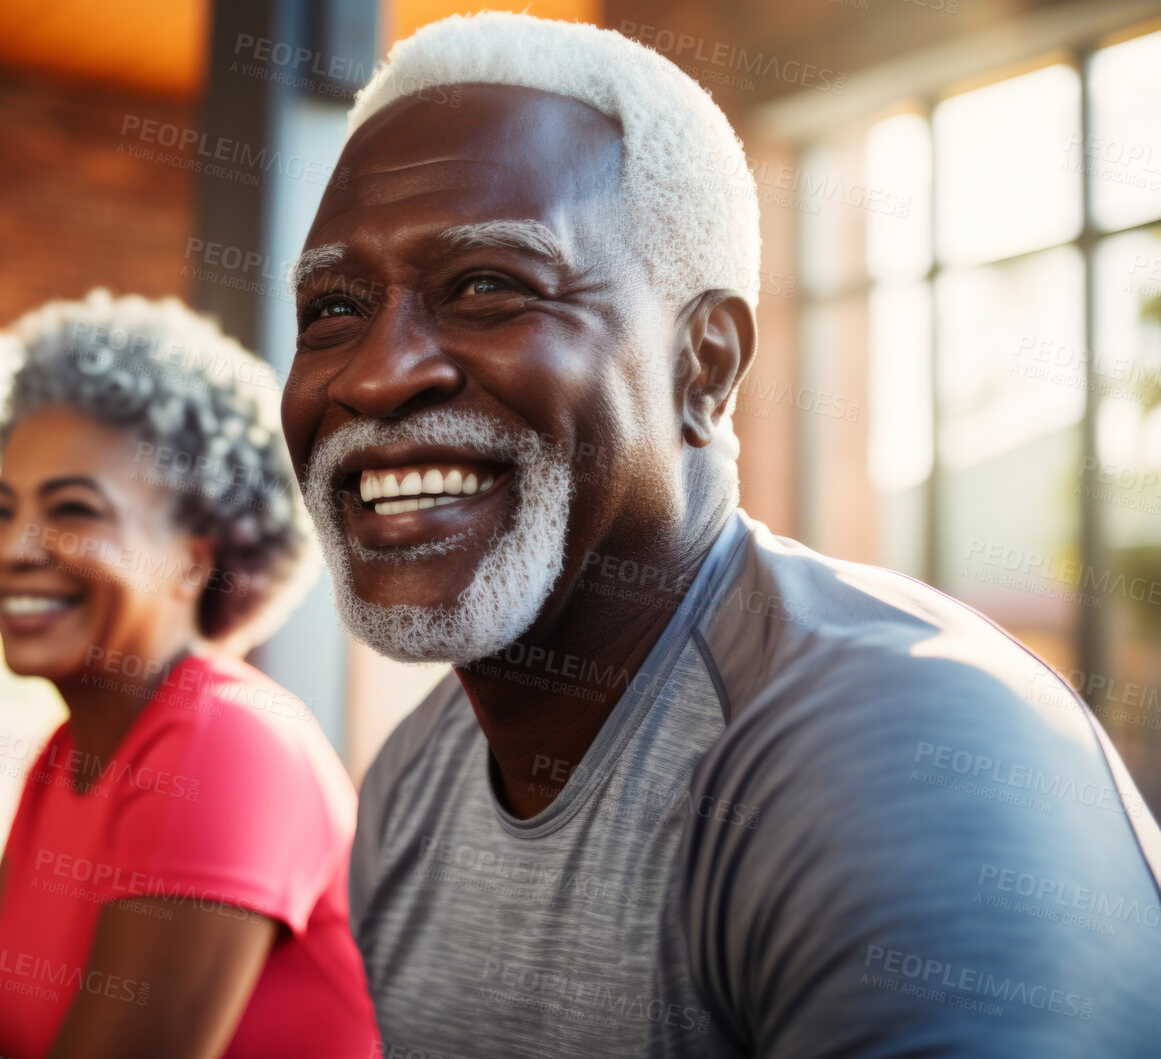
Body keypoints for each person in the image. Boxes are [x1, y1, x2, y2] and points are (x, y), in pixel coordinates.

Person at [282, 13, 1161, 1057]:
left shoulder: (907, 756)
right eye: (332, 308)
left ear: (701, 367)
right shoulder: (410, 787)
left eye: (486, 287)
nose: (375, 375)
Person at [0, 291, 379, 1058]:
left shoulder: (230, 743)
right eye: (1, 509)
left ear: (193, 560)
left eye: (73, 510)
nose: (12, 549)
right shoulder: (62, 756)